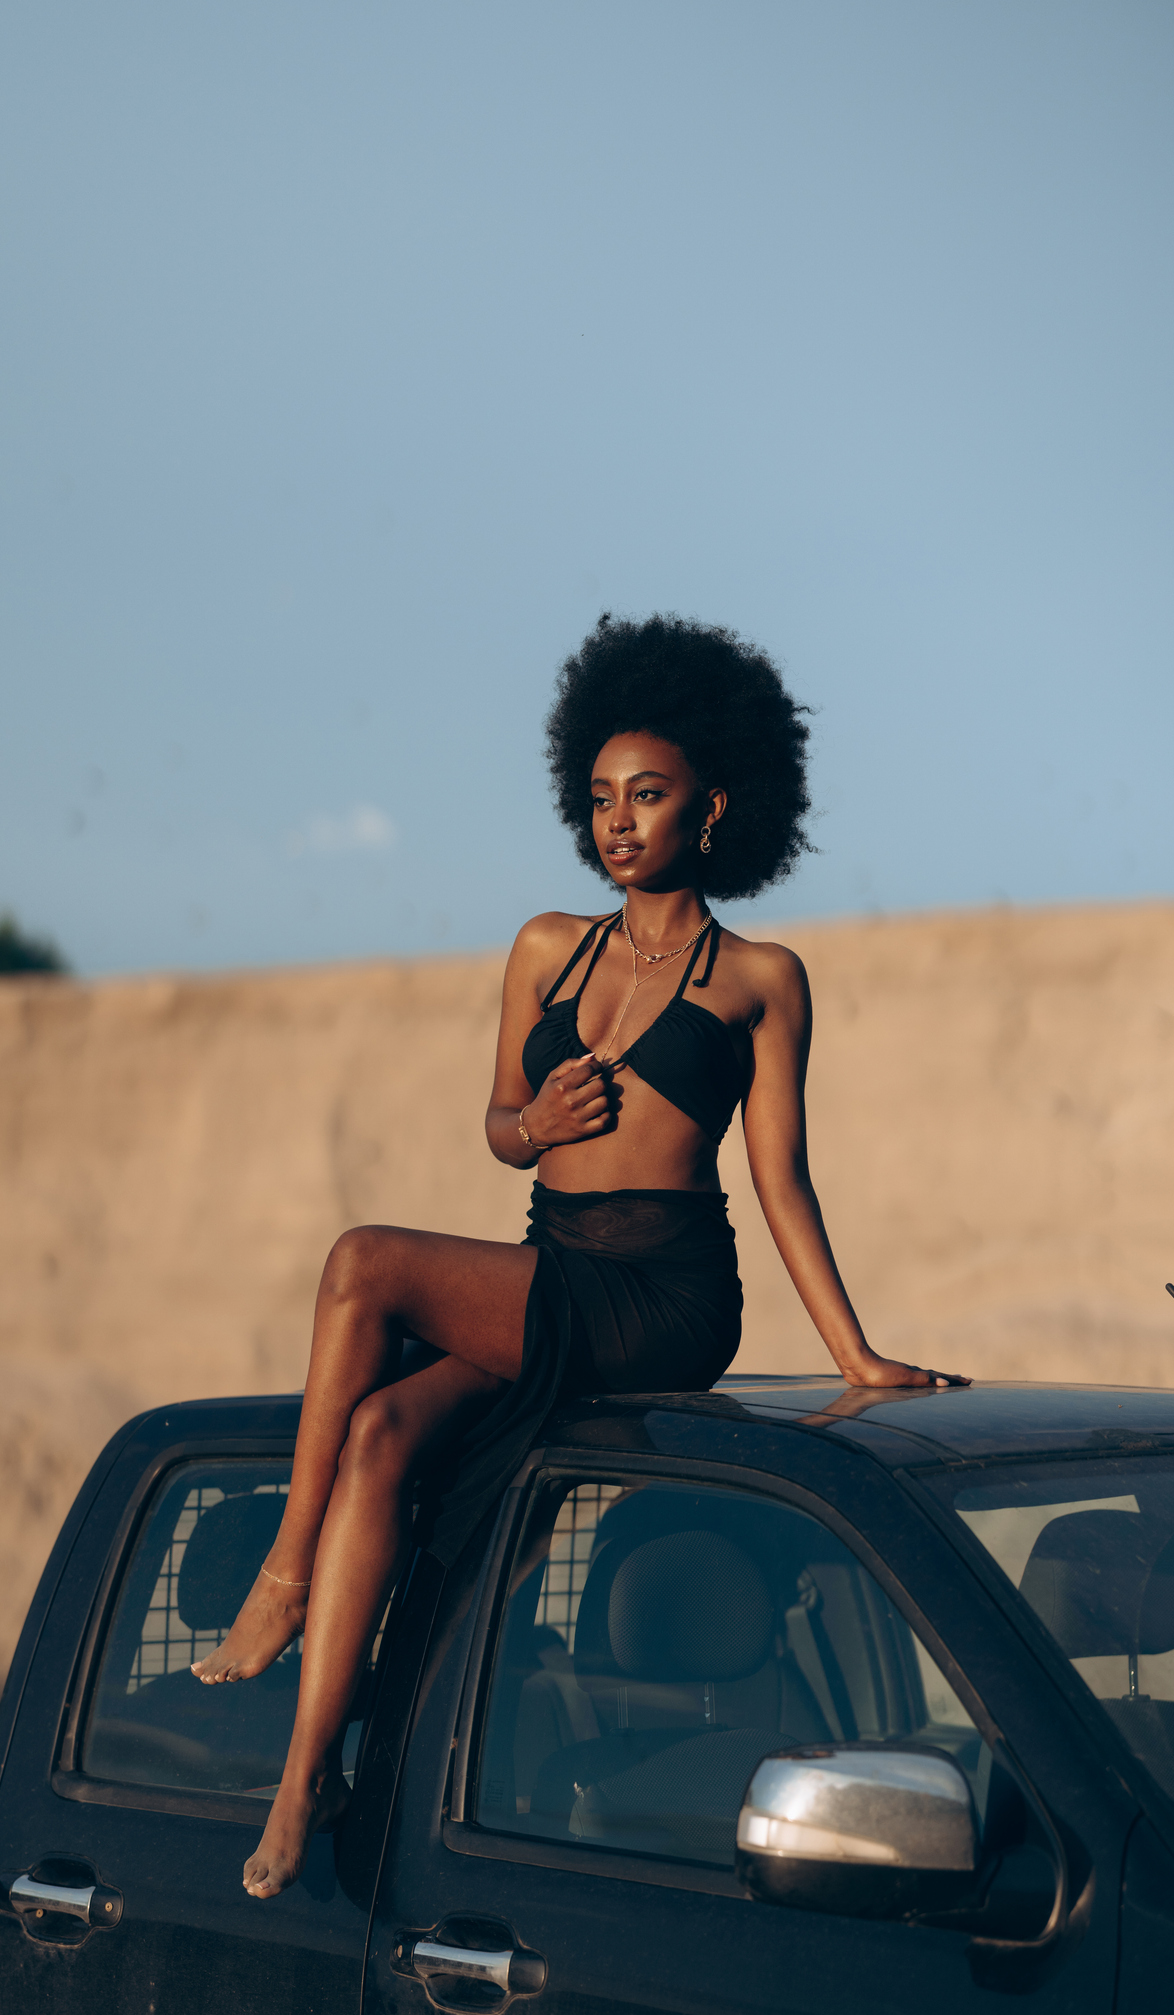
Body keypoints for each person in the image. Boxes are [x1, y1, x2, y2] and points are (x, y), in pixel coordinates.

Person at [192, 612, 968, 1897]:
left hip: (659, 1294)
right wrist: (531, 1123)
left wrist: (854, 1353)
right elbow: (501, 1123)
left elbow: (777, 1176)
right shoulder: (548, 945)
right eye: (601, 796)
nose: (618, 820)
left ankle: (283, 1569)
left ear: (711, 806)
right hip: (547, 1266)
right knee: (383, 1434)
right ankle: (301, 1779)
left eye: (647, 795)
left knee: (363, 1259)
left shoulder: (762, 978)